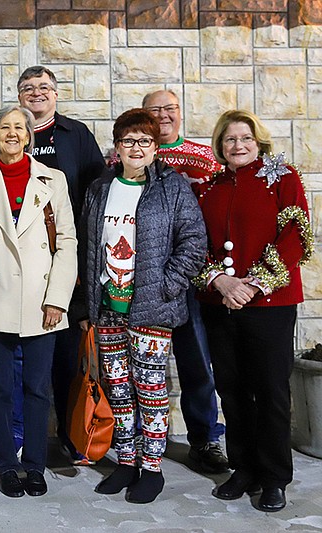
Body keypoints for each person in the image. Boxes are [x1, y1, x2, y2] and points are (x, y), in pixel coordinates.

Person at [0, 66, 106, 463]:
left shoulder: (77, 135)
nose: (37, 93)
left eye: (44, 88)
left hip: (62, 273)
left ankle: (70, 436)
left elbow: (95, 197)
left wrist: (84, 269)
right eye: (28, 88)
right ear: (19, 97)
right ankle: (16, 436)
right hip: (7, 281)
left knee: (64, 360)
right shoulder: (0, 146)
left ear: (55, 94)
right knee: (12, 370)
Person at [80, 108, 206, 504]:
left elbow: (194, 242)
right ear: (117, 147)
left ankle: (152, 468)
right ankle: (127, 461)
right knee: (118, 388)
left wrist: (167, 285)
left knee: (150, 389)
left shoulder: (172, 188)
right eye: (128, 140)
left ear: (155, 148)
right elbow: (89, 246)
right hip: (109, 306)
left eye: (144, 141)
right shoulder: (101, 187)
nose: (136, 148)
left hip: (153, 307)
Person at [195, 110, 312, 512]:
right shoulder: (210, 187)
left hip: (270, 304)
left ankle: (274, 477)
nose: (238, 145)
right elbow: (197, 244)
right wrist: (220, 282)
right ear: (220, 146)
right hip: (220, 303)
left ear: (258, 141)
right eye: (229, 140)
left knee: (271, 391)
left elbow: (295, 236)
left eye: (245, 138)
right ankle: (243, 468)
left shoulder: (283, 179)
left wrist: (255, 284)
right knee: (231, 389)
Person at [0, 105, 77, 498]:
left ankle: (36, 466)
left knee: (37, 388)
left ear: (29, 135)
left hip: (42, 300)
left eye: (19, 128)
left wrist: (57, 298)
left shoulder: (53, 179)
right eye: (4, 128)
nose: (12, 133)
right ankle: (7, 465)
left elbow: (68, 243)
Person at [141, 89, 228, 473]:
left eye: (169, 108)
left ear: (180, 113)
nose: (163, 115)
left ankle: (206, 438)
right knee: (142, 364)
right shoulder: (132, 155)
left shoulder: (204, 158)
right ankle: (143, 441)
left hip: (194, 277)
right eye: (154, 110)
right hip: (145, 277)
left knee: (197, 362)